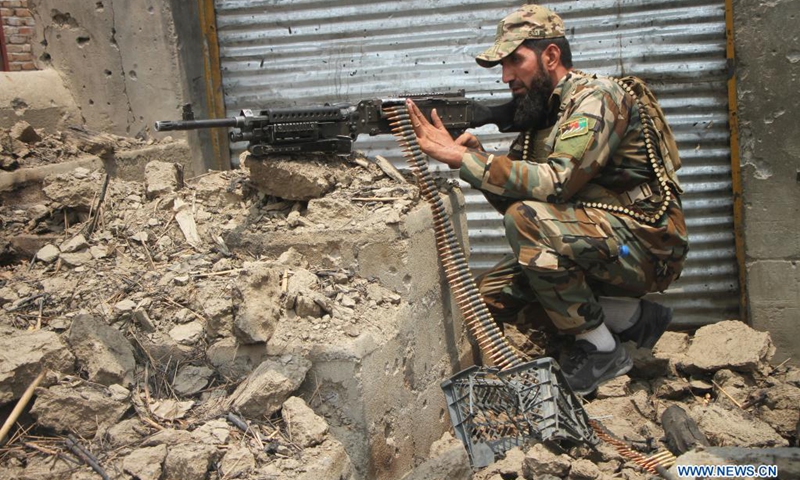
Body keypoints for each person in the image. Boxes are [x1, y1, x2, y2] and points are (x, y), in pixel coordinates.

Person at [406, 4, 689, 395]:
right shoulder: (544, 115)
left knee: (526, 219)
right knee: (485, 300)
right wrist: (477, 157)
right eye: (502, 65)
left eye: (514, 61)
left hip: (646, 246)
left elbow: (556, 184)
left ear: (551, 55)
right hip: (602, 242)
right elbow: (517, 204)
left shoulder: (597, 98)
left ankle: (601, 349)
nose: (506, 76)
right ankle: (631, 319)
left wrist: (464, 160)